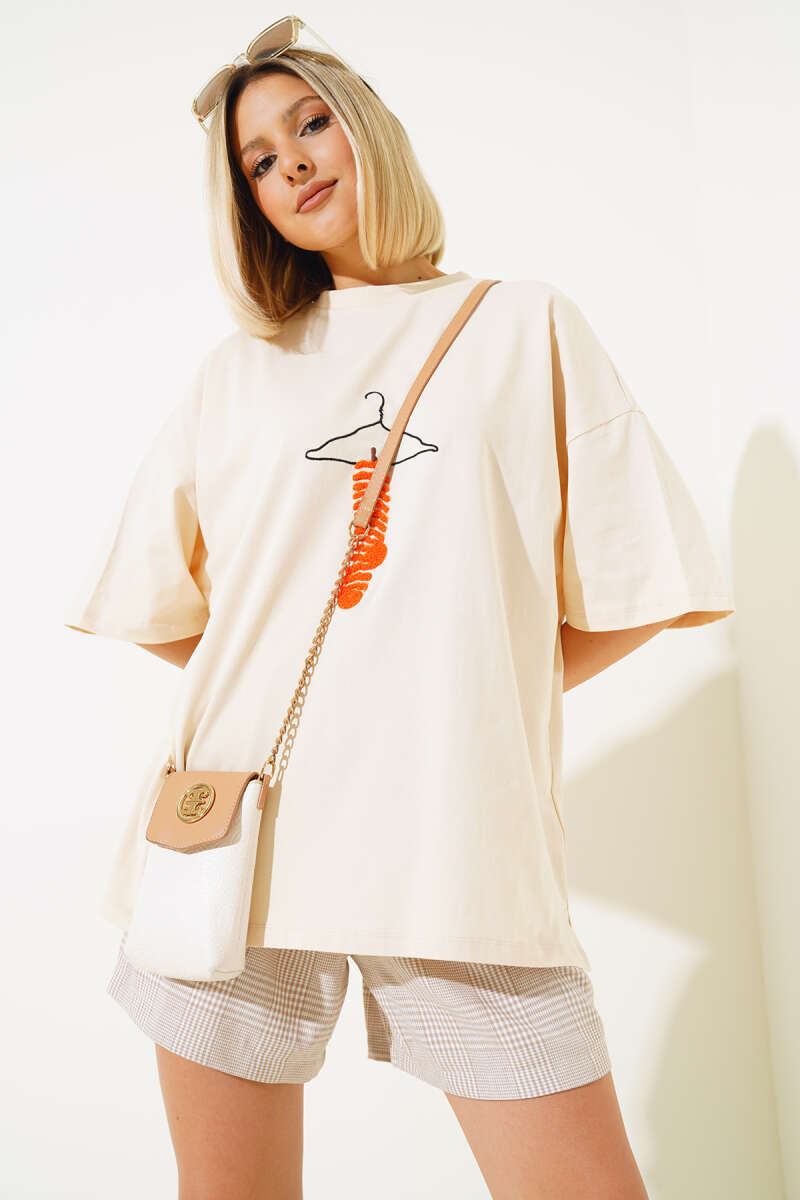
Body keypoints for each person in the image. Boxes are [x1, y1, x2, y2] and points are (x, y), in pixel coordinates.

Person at [63, 16, 735, 1200]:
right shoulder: (241, 370)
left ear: (365, 127)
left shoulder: (524, 323)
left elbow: (644, 578)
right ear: (250, 207)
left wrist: (464, 691)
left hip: (452, 833)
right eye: (258, 163)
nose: (292, 163)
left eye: (309, 125)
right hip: (236, 832)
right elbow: (156, 599)